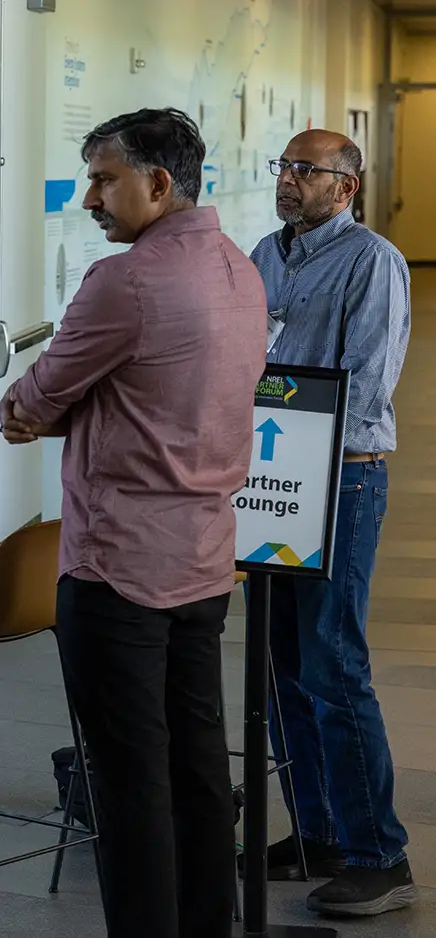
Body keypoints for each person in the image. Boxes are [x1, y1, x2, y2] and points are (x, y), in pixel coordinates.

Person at [0, 108, 265, 938]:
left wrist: (47, 405)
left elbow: (28, 404)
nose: (89, 199)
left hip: (118, 570)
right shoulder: (239, 270)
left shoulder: (127, 283)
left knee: (128, 781)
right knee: (195, 769)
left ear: (157, 183)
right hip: (204, 563)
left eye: (104, 179)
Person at [251, 130, 415, 917]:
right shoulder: (265, 252)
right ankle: (316, 831)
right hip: (272, 481)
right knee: (280, 662)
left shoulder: (373, 261)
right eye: (283, 167)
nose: (288, 180)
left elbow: (368, 385)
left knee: (331, 662)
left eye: (305, 170)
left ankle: (379, 853)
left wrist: (281, 407)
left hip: (343, 480)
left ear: (344, 188)